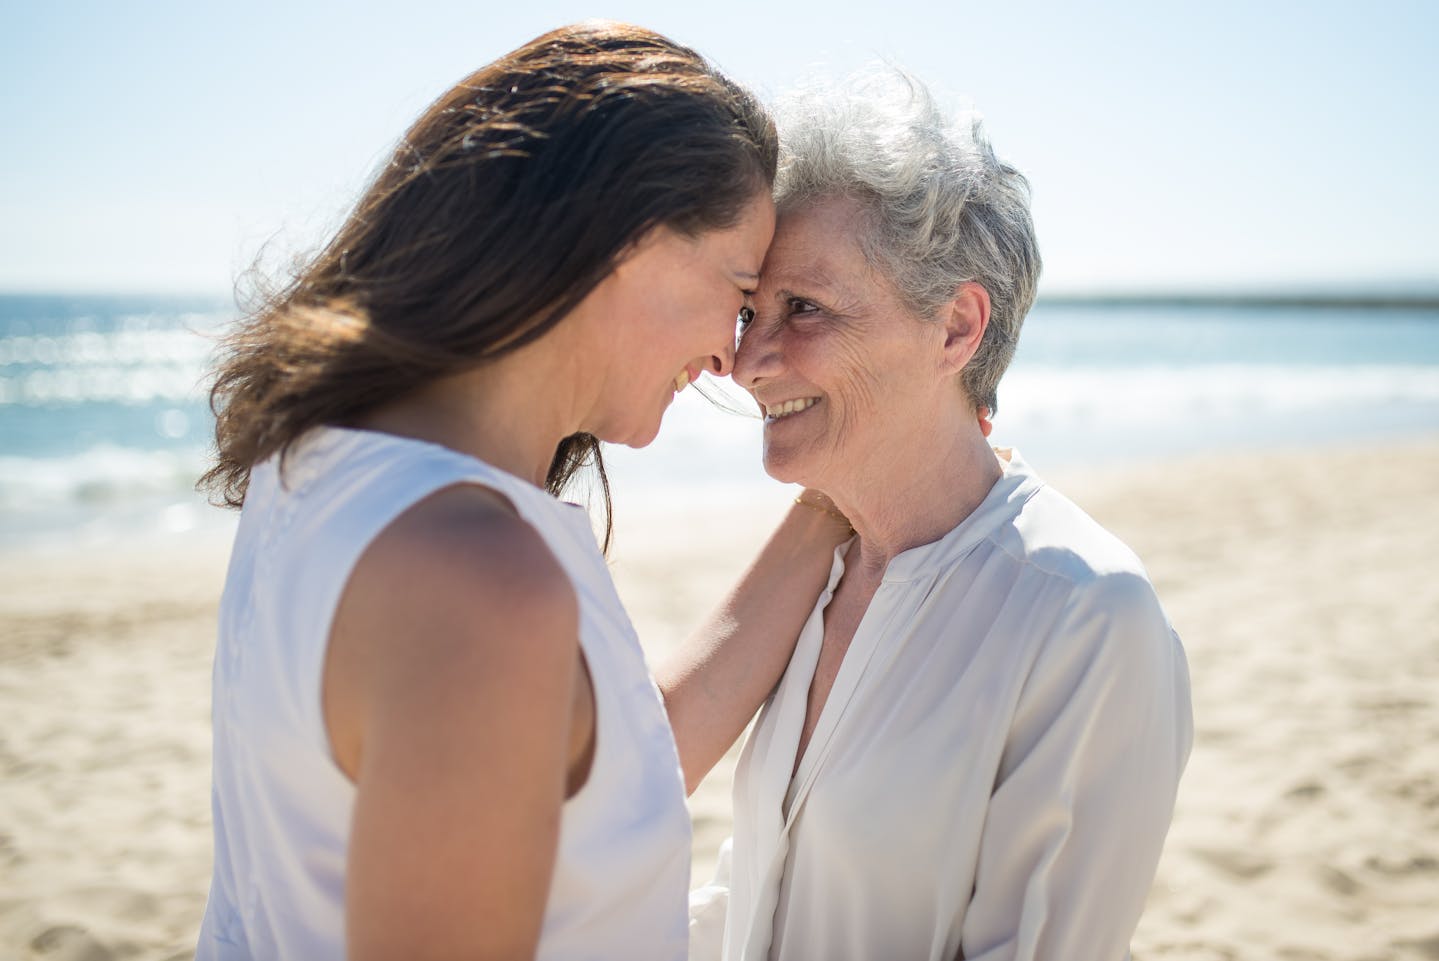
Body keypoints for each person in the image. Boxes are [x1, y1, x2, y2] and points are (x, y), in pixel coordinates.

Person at [195, 23, 852, 961]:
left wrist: (837, 493)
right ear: (623, 238)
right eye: (739, 291)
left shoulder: (324, 464)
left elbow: (595, 774)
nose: (732, 353)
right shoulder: (474, 576)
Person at [688, 69, 1193, 961]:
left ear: (956, 328)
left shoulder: (1084, 614)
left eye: (803, 308)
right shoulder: (819, 573)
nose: (749, 360)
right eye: (747, 311)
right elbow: (759, 892)